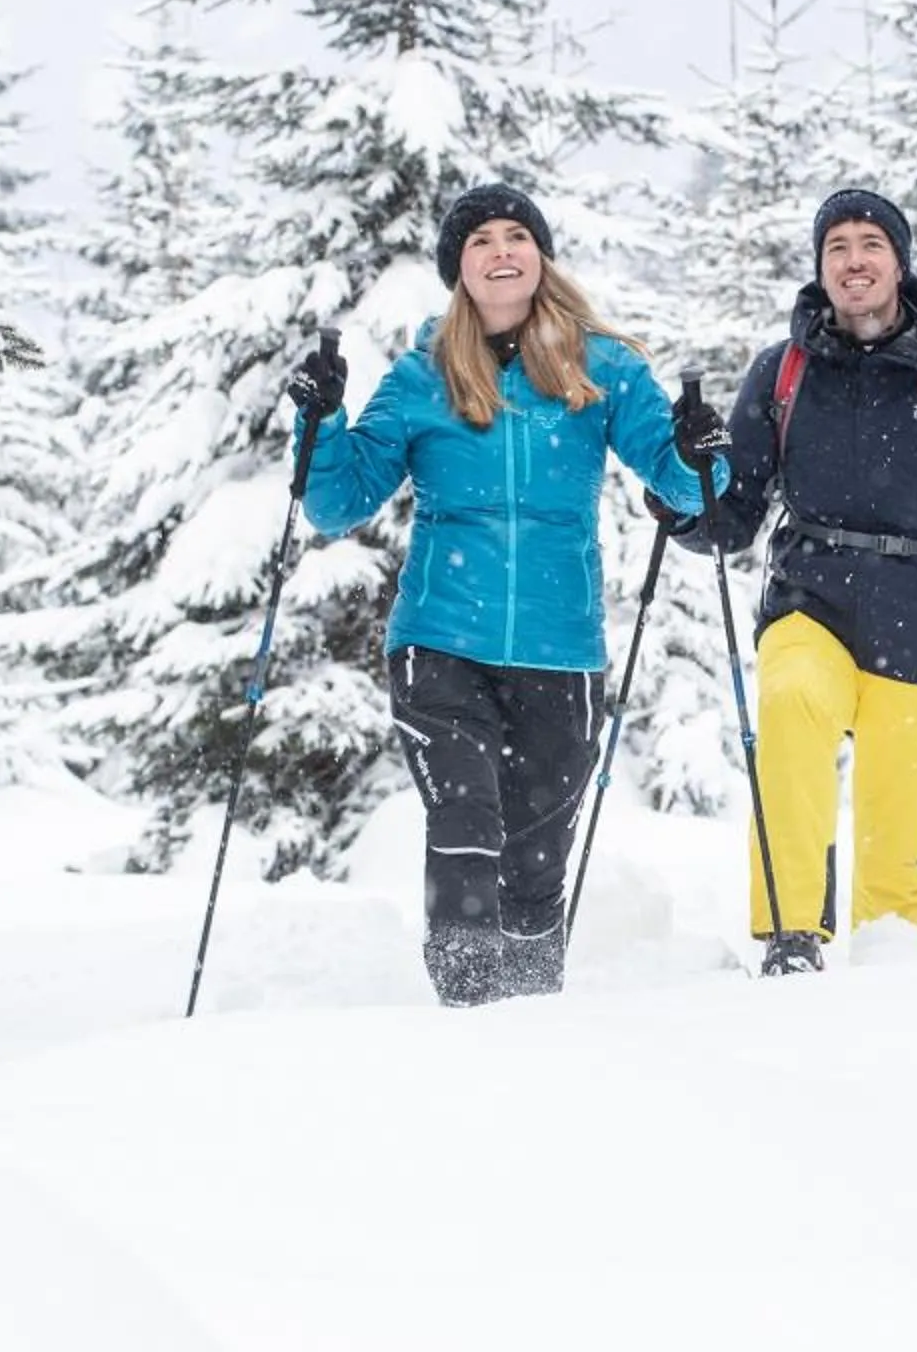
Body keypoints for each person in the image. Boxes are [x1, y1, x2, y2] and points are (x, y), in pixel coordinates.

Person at [287, 182, 729, 1007]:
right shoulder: (423, 376)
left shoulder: (603, 368)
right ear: (459, 267)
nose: (500, 250)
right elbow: (335, 501)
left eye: (516, 235)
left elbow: (686, 487)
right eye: (481, 239)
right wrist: (319, 423)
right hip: (441, 642)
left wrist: (704, 451)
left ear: (540, 258)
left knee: (535, 860)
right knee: (465, 823)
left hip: (559, 649)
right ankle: (467, 1008)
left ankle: (531, 1018)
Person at [689, 188, 917, 974]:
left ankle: (894, 977)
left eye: (870, 245)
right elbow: (731, 520)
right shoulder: (783, 371)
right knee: (791, 701)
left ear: (900, 262)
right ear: (820, 267)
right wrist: (683, 482)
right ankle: (792, 936)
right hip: (811, 599)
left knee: (898, 854)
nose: (853, 261)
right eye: (837, 247)